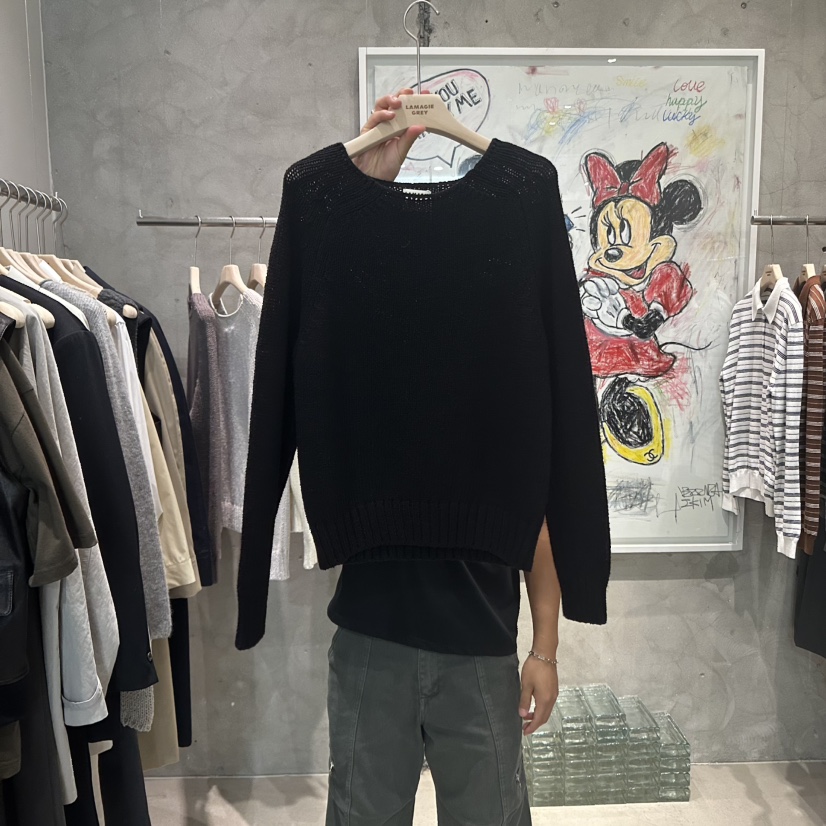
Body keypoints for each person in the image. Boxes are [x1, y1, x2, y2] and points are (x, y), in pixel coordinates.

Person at [324, 89, 561, 826]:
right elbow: (324, 294)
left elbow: (541, 512)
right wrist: (367, 181)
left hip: (480, 644)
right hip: (372, 638)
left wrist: (545, 649)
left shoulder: (500, 371)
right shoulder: (364, 360)